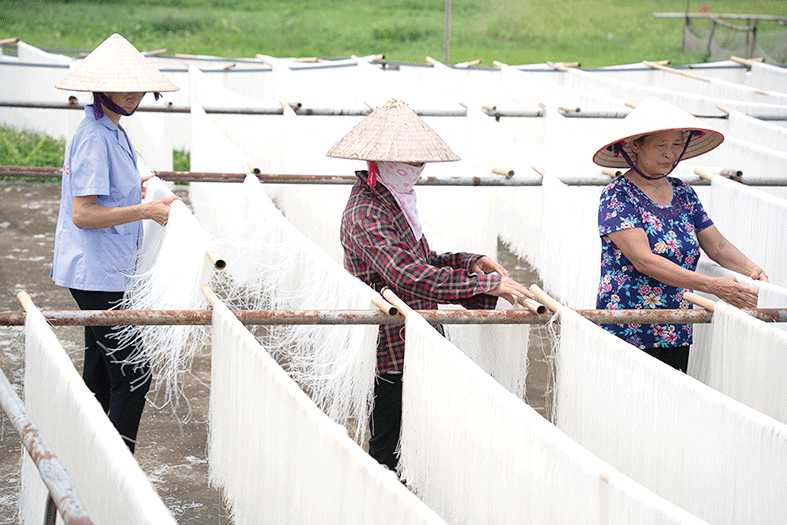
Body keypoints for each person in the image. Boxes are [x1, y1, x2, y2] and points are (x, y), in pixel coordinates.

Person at [327, 98, 531, 470]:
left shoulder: (395, 200)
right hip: (388, 344)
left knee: (417, 434)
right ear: (385, 162)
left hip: (413, 333)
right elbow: (410, 275)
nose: (418, 170)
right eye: (411, 163)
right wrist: (483, 285)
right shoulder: (367, 212)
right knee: (389, 443)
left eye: (421, 162)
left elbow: (424, 259)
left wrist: (471, 261)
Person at [50, 34, 180, 453]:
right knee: (135, 373)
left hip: (109, 268)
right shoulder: (94, 136)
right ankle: (117, 468)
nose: (135, 94)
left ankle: (86, 452)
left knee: (103, 371)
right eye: (126, 86)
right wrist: (146, 210)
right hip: (98, 275)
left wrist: (133, 191)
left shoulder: (113, 130)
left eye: (139, 87)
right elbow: (83, 214)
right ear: (101, 88)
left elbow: (103, 193)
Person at [592, 96, 768, 372]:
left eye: (676, 145)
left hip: (675, 325)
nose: (670, 154)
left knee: (671, 404)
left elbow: (718, 246)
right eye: (661, 145)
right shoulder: (617, 196)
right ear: (635, 147)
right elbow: (644, 260)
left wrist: (752, 270)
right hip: (629, 327)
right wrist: (711, 286)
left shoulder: (684, 193)